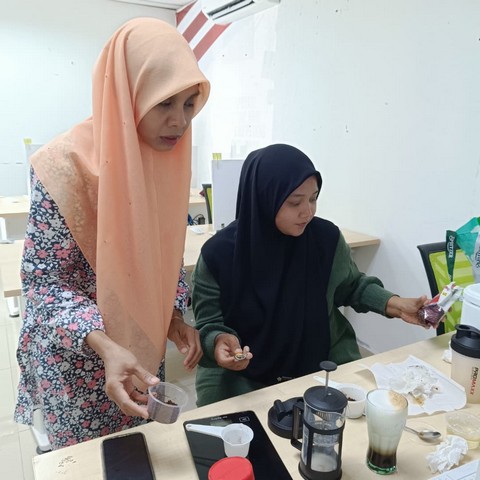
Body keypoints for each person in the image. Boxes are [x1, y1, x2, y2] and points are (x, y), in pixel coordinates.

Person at [14, 18, 210, 449]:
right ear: (129, 93)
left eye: (189, 103)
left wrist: (173, 317)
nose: (179, 121)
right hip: (79, 364)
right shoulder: (66, 165)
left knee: (139, 452)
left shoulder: (166, 161)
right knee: (89, 463)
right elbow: (44, 284)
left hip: (140, 350)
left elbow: (164, 254)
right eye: (164, 103)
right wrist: (105, 344)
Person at [191, 143, 429, 407]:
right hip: (243, 376)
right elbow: (209, 323)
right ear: (264, 198)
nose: (308, 211)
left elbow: (352, 286)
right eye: (295, 202)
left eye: (313, 198)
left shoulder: (325, 239)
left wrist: (396, 304)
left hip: (321, 364)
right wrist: (218, 343)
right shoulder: (219, 254)